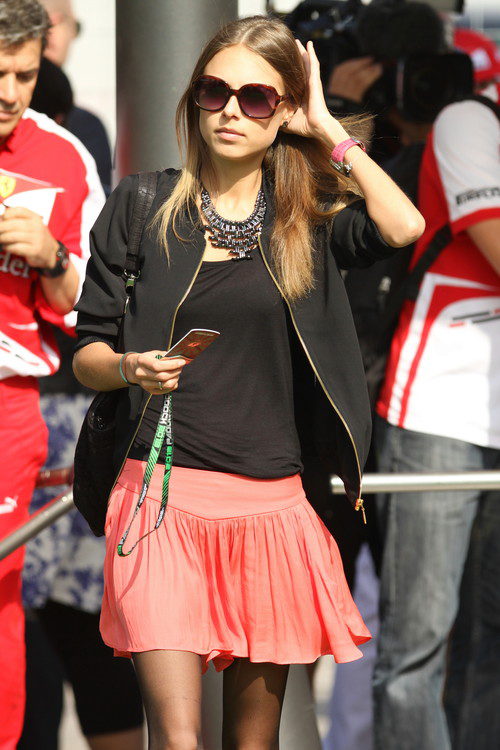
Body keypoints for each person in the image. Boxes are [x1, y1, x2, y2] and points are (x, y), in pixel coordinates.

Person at [73, 15, 424, 749]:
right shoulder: (140, 207)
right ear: (195, 100)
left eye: (257, 98)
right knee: (175, 737)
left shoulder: (307, 223)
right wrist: (131, 367)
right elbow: (89, 352)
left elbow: (403, 225)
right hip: (159, 502)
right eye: (215, 91)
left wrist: (329, 128)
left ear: (284, 112)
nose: (232, 110)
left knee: (254, 744)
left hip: (271, 509)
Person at [373, 22, 500, 750]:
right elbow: (490, 234)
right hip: (438, 414)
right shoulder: (467, 119)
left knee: (493, 639)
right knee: (417, 645)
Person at [0, 1, 104, 747]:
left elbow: (94, 308)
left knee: (2, 602)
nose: (8, 90)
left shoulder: (64, 156)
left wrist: (52, 256)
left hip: (10, 404)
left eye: (25, 74)